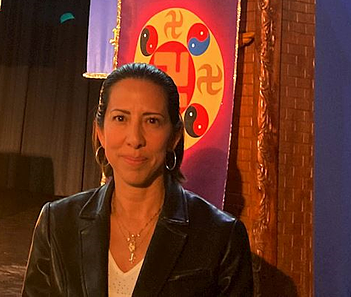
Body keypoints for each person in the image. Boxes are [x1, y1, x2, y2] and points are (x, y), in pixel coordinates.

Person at [22, 63, 254, 296]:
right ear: (100, 132)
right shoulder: (57, 223)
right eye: (120, 118)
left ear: (174, 136)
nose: (135, 139)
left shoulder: (221, 237)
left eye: (152, 121)